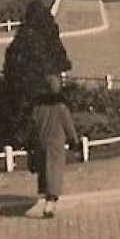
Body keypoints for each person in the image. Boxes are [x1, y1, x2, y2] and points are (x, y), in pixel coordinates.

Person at [26, 73, 79, 219]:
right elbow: (68, 126)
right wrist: (74, 141)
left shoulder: (38, 107)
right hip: (56, 144)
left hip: (41, 143)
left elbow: (32, 126)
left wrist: (30, 141)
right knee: (54, 172)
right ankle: (50, 203)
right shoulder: (61, 108)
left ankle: (48, 200)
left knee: (45, 171)